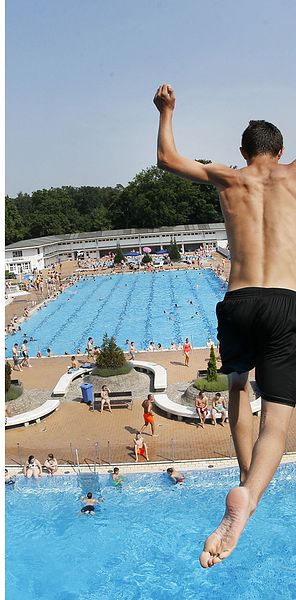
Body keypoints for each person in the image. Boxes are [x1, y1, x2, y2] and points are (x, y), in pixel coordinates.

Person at [155, 83, 296, 568]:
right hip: (285, 299)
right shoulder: (293, 174)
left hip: (237, 299)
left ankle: (243, 479)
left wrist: (167, 110)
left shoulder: (228, 177)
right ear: (280, 151)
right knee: (277, 418)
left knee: (238, 387)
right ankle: (250, 497)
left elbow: (167, 158)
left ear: (243, 152)